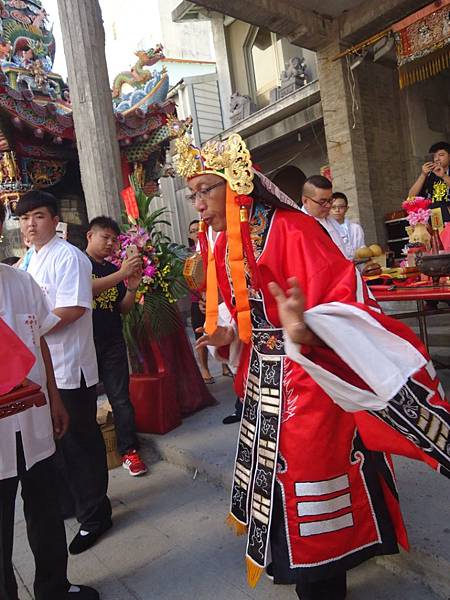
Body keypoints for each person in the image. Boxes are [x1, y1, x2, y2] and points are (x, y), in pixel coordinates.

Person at [172, 130, 450, 600]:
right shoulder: (220, 244)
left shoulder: (293, 229)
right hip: (262, 382)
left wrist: (309, 328)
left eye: (205, 190)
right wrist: (225, 338)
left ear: (236, 184)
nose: (197, 204)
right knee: (275, 490)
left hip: (309, 381)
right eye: (192, 193)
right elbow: (236, 316)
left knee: (314, 489)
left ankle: (326, 581)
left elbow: (347, 297)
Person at [0, 203, 99, 600]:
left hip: (35, 417)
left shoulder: (19, 281)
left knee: (45, 507)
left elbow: (37, 338)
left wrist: (55, 398)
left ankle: (54, 588)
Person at [15, 191, 112, 556]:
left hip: (69, 365)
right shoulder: (29, 260)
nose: (30, 224)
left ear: (55, 220)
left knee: (80, 442)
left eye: (38, 216)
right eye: (24, 218)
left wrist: (31, 332)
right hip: (41, 368)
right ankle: (74, 503)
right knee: (56, 442)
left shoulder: (68, 257)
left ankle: (96, 514)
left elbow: (72, 308)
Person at [85, 216, 147, 476]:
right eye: (104, 237)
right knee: (85, 405)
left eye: (114, 239)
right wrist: (122, 273)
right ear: (89, 236)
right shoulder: (77, 263)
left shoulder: (111, 270)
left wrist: (131, 287)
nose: (110, 243)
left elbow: (123, 308)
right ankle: (93, 457)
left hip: (112, 342)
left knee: (120, 399)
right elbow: (84, 290)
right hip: (84, 345)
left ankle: (129, 451)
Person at [301, 176, 381, 277]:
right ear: (305, 201)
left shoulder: (330, 220)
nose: (328, 206)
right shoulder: (300, 227)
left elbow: (345, 254)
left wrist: (362, 267)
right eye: (322, 202)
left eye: (330, 201)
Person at [188, 219, 214, 383]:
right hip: (197, 300)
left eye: (199, 228)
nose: (197, 232)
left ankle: (225, 364)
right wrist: (200, 296)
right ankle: (204, 367)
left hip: (216, 298)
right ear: (190, 235)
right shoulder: (188, 254)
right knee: (200, 335)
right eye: (193, 230)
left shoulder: (212, 245)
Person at [408, 141, 450, 223]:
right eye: (434, 156)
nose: (437, 159)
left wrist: (443, 176)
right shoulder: (431, 175)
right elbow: (411, 196)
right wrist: (423, 175)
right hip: (433, 214)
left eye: (441, 155)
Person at [330, 192, 365, 258]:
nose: (337, 210)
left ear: (347, 208)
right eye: (333, 207)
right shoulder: (326, 229)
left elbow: (361, 250)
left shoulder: (356, 228)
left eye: (341, 207)